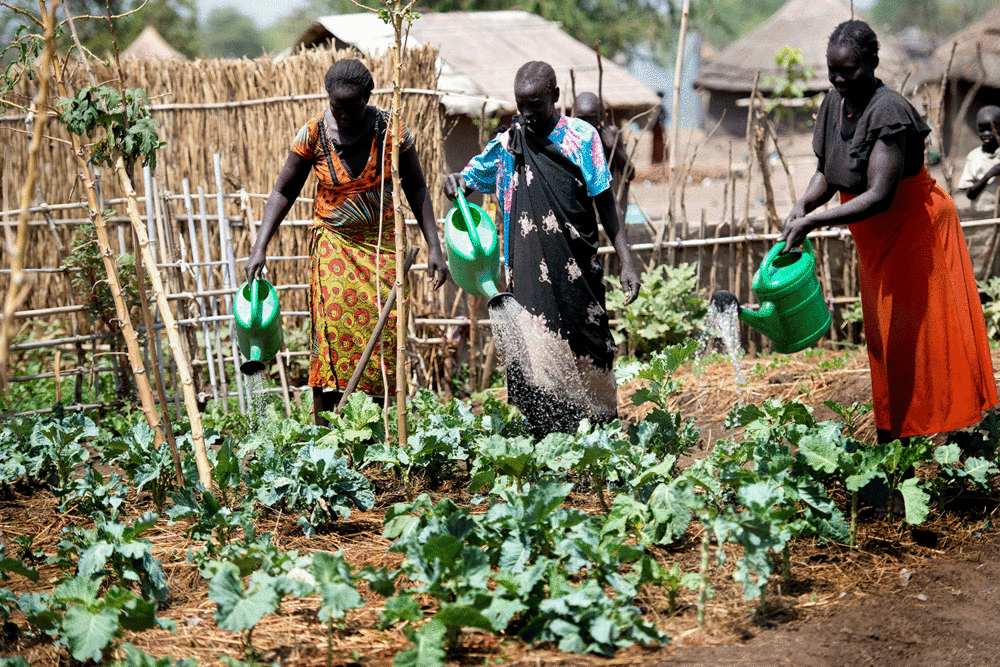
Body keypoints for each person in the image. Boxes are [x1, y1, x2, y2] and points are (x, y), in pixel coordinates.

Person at [780, 20, 998, 445]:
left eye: (850, 70)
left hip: (913, 229)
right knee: (885, 340)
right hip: (876, 236)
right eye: (833, 71)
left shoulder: (889, 110)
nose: (840, 79)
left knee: (917, 338)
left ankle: (934, 435)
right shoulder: (834, 103)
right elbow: (828, 173)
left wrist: (812, 222)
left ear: (873, 64)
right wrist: (804, 204)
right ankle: (894, 437)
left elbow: (880, 193)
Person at [443, 61, 641, 438]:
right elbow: (465, 181)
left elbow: (606, 204)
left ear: (555, 96)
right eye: (522, 105)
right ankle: (546, 441)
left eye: (536, 105)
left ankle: (599, 438)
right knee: (536, 350)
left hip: (578, 270)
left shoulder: (582, 138)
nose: (528, 115)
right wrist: (453, 183)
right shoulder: (505, 145)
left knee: (591, 344)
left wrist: (627, 262)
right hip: (527, 273)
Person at [246, 58, 448, 424]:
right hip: (333, 244)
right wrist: (260, 245)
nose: (343, 116)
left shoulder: (390, 130)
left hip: (382, 246)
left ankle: (372, 430)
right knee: (332, 335)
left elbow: (416, 185)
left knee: (383, 335)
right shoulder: (313, 134)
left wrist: (434, 245)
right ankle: (326, 429)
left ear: (368, 98)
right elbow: (283, 190)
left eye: (351, 108)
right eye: (336, 107)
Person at [573, 92, 636, 219]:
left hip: (607, 202)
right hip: (580, 205)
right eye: (581, 119)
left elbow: (630, 173)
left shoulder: (609, 134)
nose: (586, 124)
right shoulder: (570, 137)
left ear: (601, 116)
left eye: (590, 118)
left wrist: (615, 148)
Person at [957, 105, 1000, 214]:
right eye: (981, 130)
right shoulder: (973, 156)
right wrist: (989, 174)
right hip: (981, 215)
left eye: (991, 129)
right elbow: (969, 194)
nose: (986, 134)